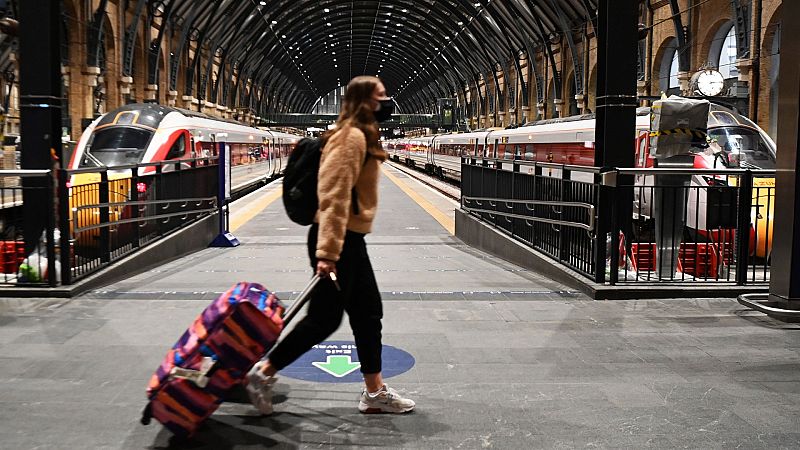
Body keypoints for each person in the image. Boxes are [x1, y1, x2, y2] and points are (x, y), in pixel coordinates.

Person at [245, 76, 416, 415]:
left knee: (368, 314)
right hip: (338, 242)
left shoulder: (362, 135)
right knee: (323, 320)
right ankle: (262, 373)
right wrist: (327, 254)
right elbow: (334, 197)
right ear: (364, 101)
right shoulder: (350, 138)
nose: (388, 102)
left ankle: (374, 392)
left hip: (350, 241)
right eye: (382, 96)